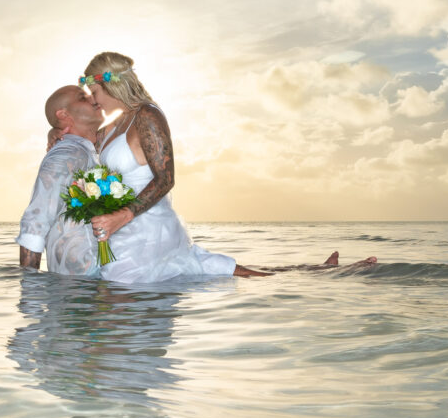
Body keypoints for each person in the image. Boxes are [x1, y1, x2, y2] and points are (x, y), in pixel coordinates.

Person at [82, 52, 377, 283]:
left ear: (111, 84)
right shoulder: (113, 125)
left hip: (148, 229)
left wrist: (124, 215)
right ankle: (320, 271)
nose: (93, 101)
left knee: (202, 273)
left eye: (94, 92)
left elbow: (166, 178)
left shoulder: (147, 116)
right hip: (120, 231)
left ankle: (335, 274)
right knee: (217, 269)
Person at [15, 85, 105, 277]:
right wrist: (30, 293)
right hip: (79, 283)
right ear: (63, 114)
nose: (94, 100)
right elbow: (36, 221)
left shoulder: (86, 150)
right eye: (83, 97)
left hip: (97, 278)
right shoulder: (66, 153)